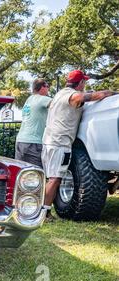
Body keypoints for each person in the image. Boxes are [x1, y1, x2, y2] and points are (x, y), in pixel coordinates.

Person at [41, 70, 115, 214]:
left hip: (49, 141)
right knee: (55, 179)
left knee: (51, 178)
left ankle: (43, 210)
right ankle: (44, 212)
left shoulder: (59, 94)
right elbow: (95, 96)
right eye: (84, 82)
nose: (85, 84)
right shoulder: (73, 96)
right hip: (60, 143)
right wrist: (111, 92)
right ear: (81, 82)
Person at [15, 79, 52, 168]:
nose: (48, 89)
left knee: (22, 174)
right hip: (33, 143)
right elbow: (60, 104)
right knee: (37, 174)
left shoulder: (29, 100)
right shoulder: (43, 99)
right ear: (42, 87)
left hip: (20, 141)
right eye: (47, 86)